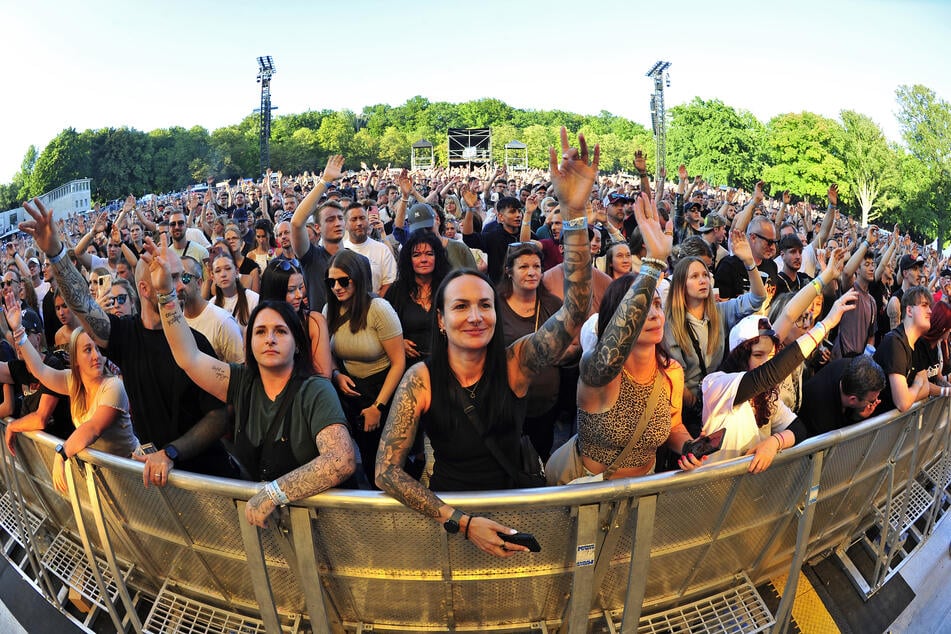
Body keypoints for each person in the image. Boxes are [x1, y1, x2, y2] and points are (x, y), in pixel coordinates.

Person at [376, 128, 596, 558]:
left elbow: (575, 312)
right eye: (461, 307)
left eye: (484, 305)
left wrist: (573, 213)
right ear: (440, 320)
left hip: (516, 506)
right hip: (453, 517)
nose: (475, 316)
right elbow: (386, 471)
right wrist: (460, 523)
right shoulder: (422, 380)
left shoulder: (516, 361)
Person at [141, 238, 355, 527]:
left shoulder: (316, 390)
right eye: (260, 331)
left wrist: (274, 493)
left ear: (297, 343)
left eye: (280, 331)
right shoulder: (241, 382)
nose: (269, 338)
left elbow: (340, 460)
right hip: (271, 527)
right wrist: (166, 291)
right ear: (249, 343)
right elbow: (187, 356)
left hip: (326, 527)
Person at [19, 198, 233, 481]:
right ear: (145, 288)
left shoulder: (197, 343)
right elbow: (84, 304)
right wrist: (56, 254)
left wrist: (171, 452)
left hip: (207, 480)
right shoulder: (128, 335)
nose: (180, 286)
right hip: (159, 484)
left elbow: (219, 415)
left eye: (181, 278)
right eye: (171, 278)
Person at [568, 192, 704, 483]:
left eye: (656, 304)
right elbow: (611, 349)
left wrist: (690, 447)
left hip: (643, 492)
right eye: (642, 308)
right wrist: (653, 262)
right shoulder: (599, 371)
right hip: (589, 494)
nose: (654, 314)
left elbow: (673, 425)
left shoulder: (671, 372)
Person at [700, 291, 856, 473]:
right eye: (758, 355)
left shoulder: (766, 397)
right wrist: (826, 323)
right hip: (711, 490)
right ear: (739, 356)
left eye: (771, 355)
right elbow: (768, 374)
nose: (766, 362)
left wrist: (775, 442)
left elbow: (798, 429)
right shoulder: (716, 383)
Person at [5, 293, 138, 494]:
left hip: (133, 475)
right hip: (108, 480)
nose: (96, 356)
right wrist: (19, 331)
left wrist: (62, 453)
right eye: (87, 350)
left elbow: (93, 428)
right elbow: (40, 370)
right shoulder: (72, 381)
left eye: (98, 349)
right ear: (75, 359)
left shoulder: (113, 387)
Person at [664, 231, 767, 435]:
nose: (703, 280)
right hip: (688, 413)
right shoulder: (671, 325)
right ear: (680, 285)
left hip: (720, 404)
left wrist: (749, 262)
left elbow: (757, 298)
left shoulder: (720, 313)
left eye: (705, 274)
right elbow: (678, 381)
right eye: (694, 276)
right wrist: (699, 407)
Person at [325, 249, 405, 485]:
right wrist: (336, 374)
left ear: (358, 279)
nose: (336, 287)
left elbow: (399, 362)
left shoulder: (379, 309)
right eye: (331, 282)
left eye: (343, 281)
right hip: (351, 391)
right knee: (366, 458)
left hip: (383, 391)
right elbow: (326, 353)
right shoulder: (329, 310)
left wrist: (378, 406)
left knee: (384, 462)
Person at [496, 241, 564, 460]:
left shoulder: (553, 304)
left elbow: (571, 344)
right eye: (524, 267)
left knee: (540, 456)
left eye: (536, 266)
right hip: (506, 402)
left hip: (546, 402)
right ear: (509, 271)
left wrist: (556, 355)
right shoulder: (495, 304)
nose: (532, 272)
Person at [384, 230, 451, 366]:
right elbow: (381, 328)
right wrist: (398, 342)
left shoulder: (450, 287)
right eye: (416, 255)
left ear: (437, 257)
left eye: (429, 254)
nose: (423, 259)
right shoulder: (396, 291)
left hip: (448, 362)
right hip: (408, 366)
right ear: (409, 260)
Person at [259, 258, 332, 379]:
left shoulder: (314, 321)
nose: (299, 295)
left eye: (300, 287)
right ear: (274, 292)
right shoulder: (256, 328)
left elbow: (324, 376)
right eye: (291, 290)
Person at [873, 286, 934, 414]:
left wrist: (910, 394)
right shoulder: (895, 342)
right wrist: (917, 385)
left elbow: (926, 388)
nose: (930, 311)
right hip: (874, 427)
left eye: (929, 306)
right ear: (909, 310)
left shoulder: (916, 345)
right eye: (924, 305)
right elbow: (902, 402)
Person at [798, 355, 887, 437]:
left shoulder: (850, 365)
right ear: (853, 399)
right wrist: (856, 418)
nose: (875, 401)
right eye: (871, 401)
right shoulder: (823, 420)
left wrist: (857, 416)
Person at [207, 247, 259, 327]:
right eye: (218, 271)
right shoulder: (211, 305)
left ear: (237, 272)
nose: (223, 274)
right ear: (213, 276)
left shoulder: (254, 299)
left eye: (228, 269)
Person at [224, 225, 261, 292]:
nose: (231, 241)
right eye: (228, 239)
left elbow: (255, 295)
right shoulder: (222, 265)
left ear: (241, 242)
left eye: (234, 238)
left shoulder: (251, 266)